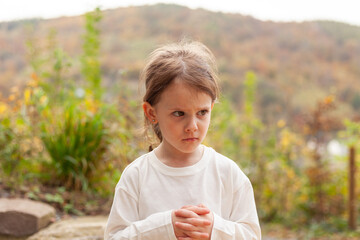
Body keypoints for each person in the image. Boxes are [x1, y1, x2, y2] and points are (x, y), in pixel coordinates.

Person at [104, 40, 261, 240]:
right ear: (151, 113)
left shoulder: (228, 174)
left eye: (202, 112)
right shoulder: (136, 176)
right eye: (179, 113)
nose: (192, 126)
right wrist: (164, 227)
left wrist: (214, 229)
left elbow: (251, 235)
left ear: (211, 107)